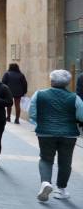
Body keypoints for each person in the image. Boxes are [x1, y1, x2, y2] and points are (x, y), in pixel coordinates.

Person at [28, 70, 83, 201]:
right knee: (65, 161)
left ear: (51, 81)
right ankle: (61, 189)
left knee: (46, 159)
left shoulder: (39, 94)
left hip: (45, 133)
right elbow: (81, 116)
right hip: (68, 134)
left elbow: (32, 113)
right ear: (68, 83)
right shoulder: (75, 98)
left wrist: (40, 123)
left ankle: (45, 182)